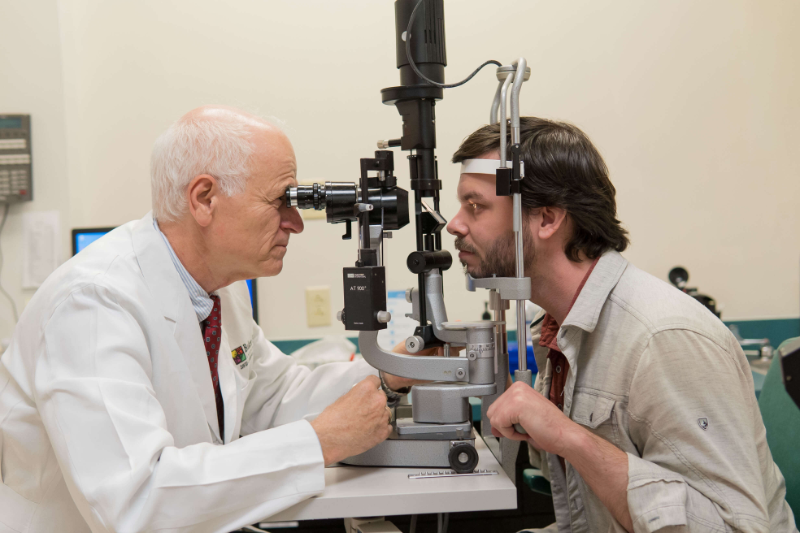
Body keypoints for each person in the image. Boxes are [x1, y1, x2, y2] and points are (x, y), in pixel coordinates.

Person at [0, 106, 415, 532]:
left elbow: (271, 397)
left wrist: (395, 370)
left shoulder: (218, 288)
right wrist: (320, 442)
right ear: (204, 199)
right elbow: (136, 502)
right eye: (281, 200)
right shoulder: (92, 304)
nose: (295, 223)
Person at [447, 118, 797, 532]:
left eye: (476, 206)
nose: (454, 223)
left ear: (546, 219)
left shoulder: (664, 339)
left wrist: (568, 437)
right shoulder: (558, 331)